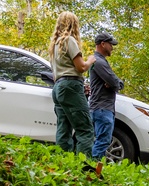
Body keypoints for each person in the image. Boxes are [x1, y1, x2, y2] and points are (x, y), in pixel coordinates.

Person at [49, 11, 96, 161]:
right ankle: (84, 167)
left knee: (64, 128)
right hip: (70, 86)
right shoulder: (69, 40)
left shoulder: (55, 45)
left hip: (58, 87)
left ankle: (63, 164)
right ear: (74, 24)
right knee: (85, 128)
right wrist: (90, 60)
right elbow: (81, 67)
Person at [89, 31, 124, 172]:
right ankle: (94, 172)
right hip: (102, 108)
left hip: (101, 108)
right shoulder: (99, 62)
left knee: (100, 141)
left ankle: (95, 170)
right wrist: (116, 83)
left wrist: (116, 83)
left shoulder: (98, 61)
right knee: (103, 141)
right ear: (102, 44)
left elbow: (116, 82)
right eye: (111, 44)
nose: (112, 47)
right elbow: (115, 82)